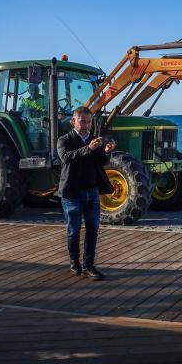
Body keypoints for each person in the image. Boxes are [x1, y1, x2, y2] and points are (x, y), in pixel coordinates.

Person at [56, 106, 116, 280]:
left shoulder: (94, 140)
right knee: (73, 231)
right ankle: (74, 263)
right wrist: (88, 148)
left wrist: (107, 152)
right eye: (82, 121)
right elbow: (66, 158)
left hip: (92, 192)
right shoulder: (64, 139)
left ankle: (89, 266)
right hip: (72, 193)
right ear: (74, 121)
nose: (86, 125)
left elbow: (101, 162)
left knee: (92, 230)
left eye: (89, 122)